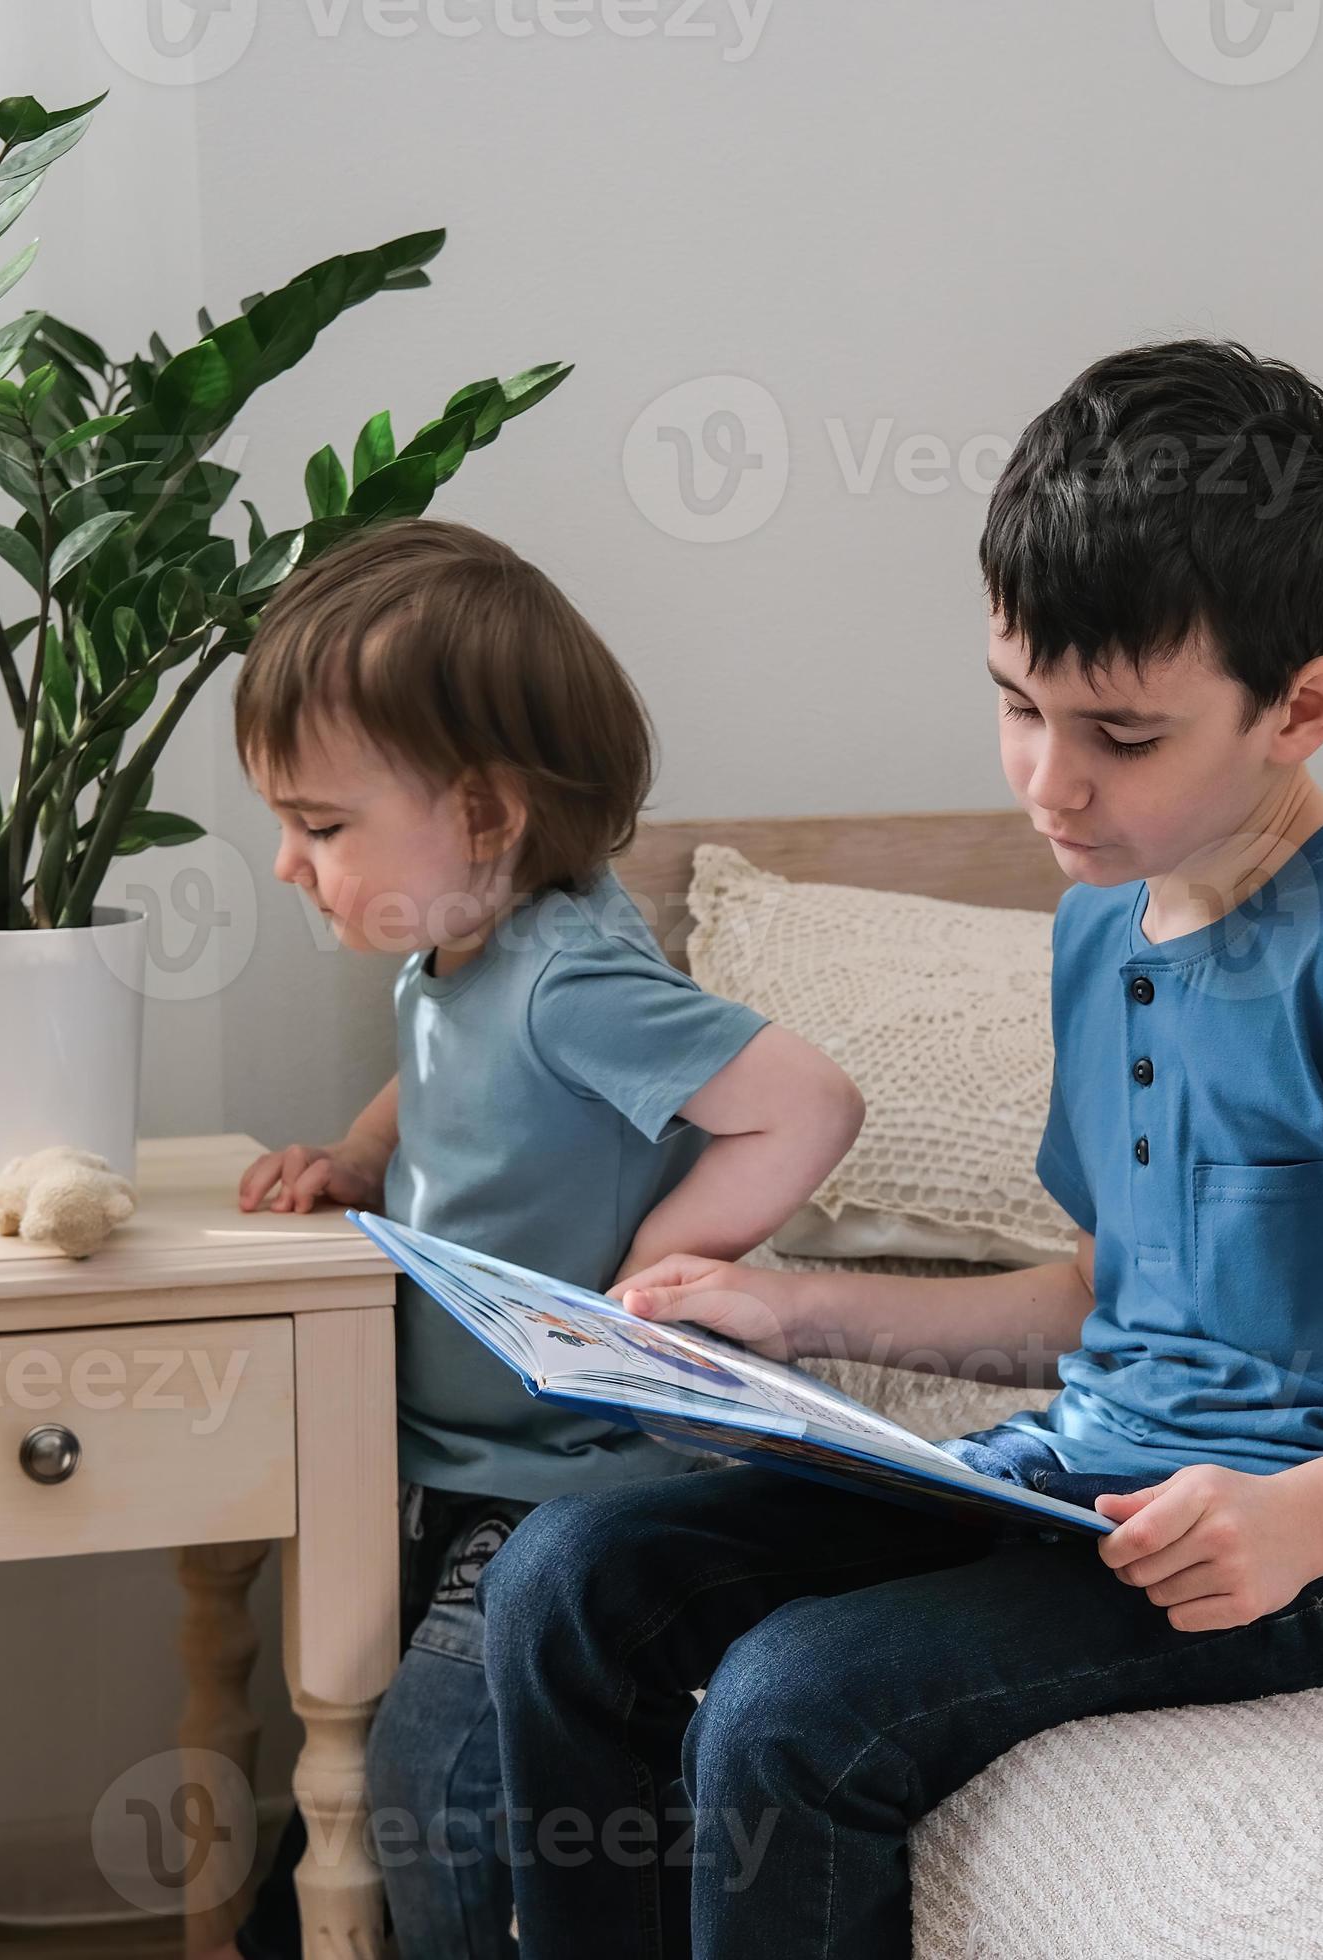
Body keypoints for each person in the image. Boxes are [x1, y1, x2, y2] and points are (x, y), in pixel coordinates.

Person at [476, 341, 1323, 1959]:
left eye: (1121, 733)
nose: (1048, 779)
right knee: (569, 1576)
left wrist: (1302, 1523)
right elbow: (1101, 1292)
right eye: (1017, 707)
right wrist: (798, 1309)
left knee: (793, 1706)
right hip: (1093, 1485)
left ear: (1299, 709)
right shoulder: (1103, 927)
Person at [218, 518, 865, 1960]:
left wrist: (660, 1269)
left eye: (321, 828)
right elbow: (450, 1069)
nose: (285, 865)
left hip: (569, 1481)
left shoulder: (574, 977)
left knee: (433, 1786)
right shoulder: (461, 955)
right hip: (469, 1470)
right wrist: (361, 1155)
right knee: (372, 1763)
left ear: (487, 819)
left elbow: (808, 1103)